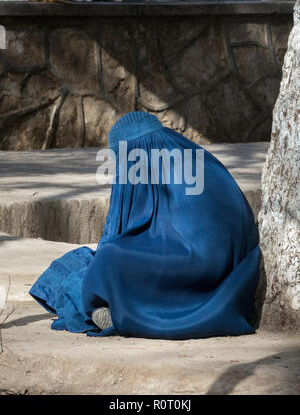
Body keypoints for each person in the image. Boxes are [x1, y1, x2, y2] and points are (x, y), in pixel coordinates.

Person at [30, 111, 260, 339]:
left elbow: (130, 230)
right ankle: (111, 304)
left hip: (200, 266)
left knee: (108, 257)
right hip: (232, 263)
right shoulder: (195, 157)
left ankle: (113, 310)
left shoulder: (153, 165)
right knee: (104, 258)